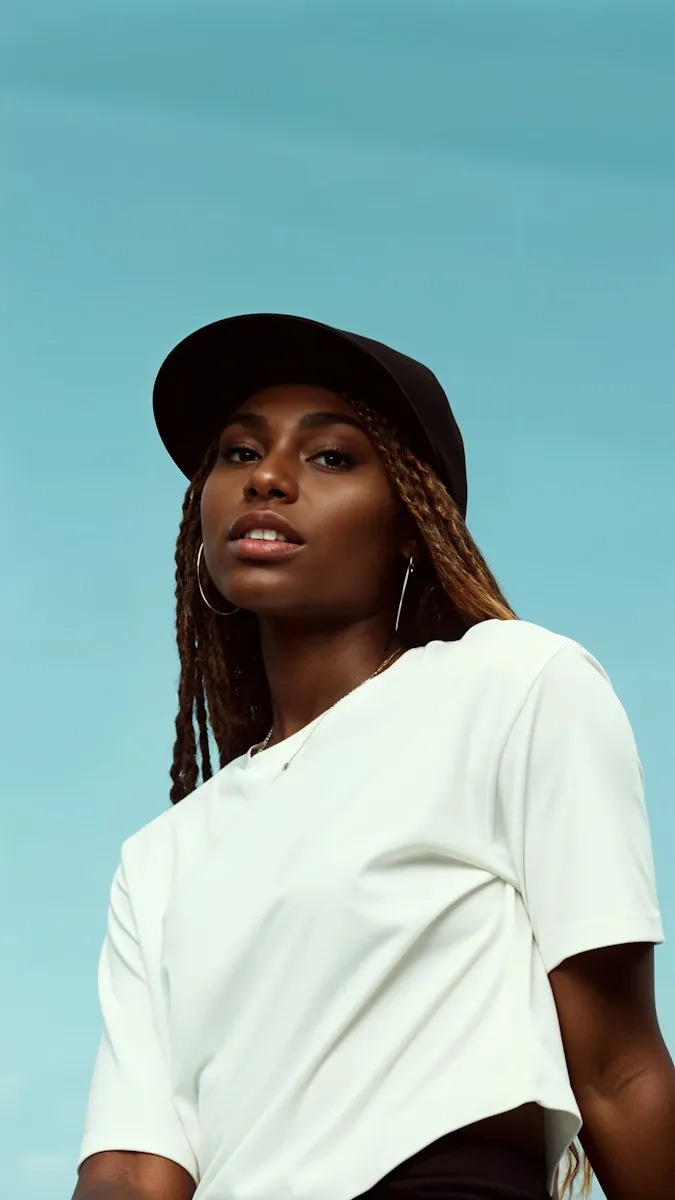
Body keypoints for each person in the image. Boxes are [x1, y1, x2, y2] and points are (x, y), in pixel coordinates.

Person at [73, 314, 673, 1200]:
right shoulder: (161, 858)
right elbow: (130, 1170)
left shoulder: (513, 683)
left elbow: (619, 1068)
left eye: (330, 458)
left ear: (409, 525)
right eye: (237, 453)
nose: (267, 478)